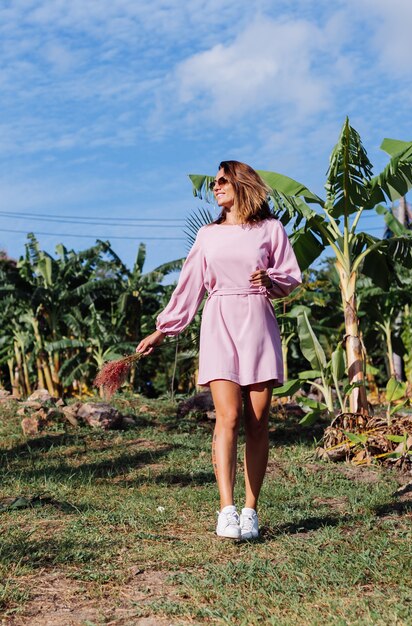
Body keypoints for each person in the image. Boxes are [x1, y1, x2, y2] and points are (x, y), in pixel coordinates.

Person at [136, 160, 301, 540]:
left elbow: (290, 277)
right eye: (213, 183)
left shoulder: (270, 229)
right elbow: (189, 286)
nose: (216, 187)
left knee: (258, 422)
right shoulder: (208, 236)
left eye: (222, 180)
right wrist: (163, 330)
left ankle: (250, 511)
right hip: (219, 321)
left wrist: (269, 278)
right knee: (226, 417)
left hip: (258, 322)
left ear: (241, 183)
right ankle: (226, 510)